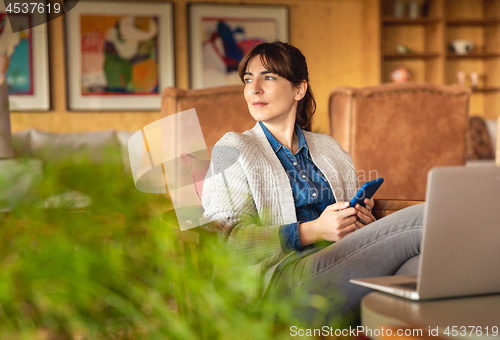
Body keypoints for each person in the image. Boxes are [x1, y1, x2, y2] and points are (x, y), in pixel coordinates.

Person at [201, 41, 423, 324]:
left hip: (338, 272)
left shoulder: (330, 149)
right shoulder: (232, 148)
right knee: (427, 218)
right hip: (277, 285)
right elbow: (226, 242)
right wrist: (312, 231)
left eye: (267, 77)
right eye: (248, 79)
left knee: (418, 269)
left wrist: (359, 221)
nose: (254, 88)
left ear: (299, 89)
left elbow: (349, 233)